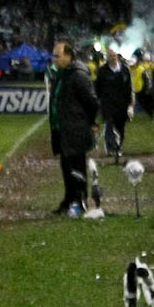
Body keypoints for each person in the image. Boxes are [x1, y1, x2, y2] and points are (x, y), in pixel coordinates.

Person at [48, 40, 99, 216]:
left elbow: (92, 102)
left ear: (69, 56)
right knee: (66, 167)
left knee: (77, 168)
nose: (54, 59)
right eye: (54, 55)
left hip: (75, 129)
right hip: (63, 129)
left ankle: (80, 201)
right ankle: (69, 200)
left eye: (58, 55)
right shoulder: (61, 74)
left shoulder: (78, 75)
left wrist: (90, 122)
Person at [95, 45, 133, 160]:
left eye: (114, 56)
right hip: (108, 104)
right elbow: (98, 87)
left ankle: (119, 146)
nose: (113, 58)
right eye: (110, 56)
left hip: (122, 104)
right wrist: (99, 100)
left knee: (121, 127)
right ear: (107, 58)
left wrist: (130, 103)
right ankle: (111, 148)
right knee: (109, 126)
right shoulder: (102, 71)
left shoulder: (125, 70)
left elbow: (129, 87)